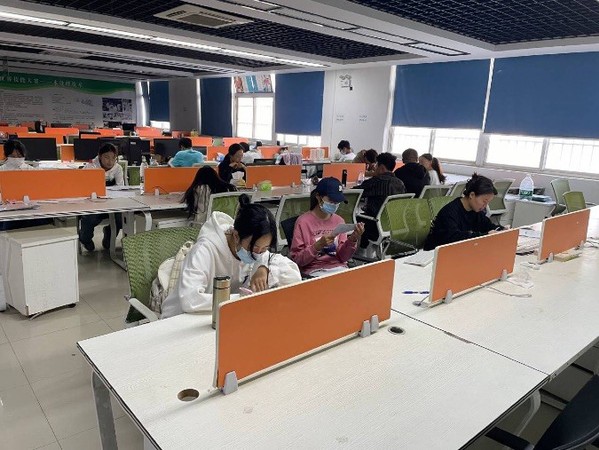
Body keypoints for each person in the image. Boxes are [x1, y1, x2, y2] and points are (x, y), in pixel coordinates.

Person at [161, 194, 301, 318]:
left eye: (264, 249)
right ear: (235, 236)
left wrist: (264, 268)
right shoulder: (205, 250)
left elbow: (292, 274)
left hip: (219, 315)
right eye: (254, 248)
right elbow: (190, 300)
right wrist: (240, 298)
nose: (257, 254)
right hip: (180, 319)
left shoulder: (257, 251)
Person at [290, 178, 364, 277]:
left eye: (337, 202)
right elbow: (297, 260)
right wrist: (317, 246)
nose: (334, 205)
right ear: (318, 197)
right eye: (331, 201)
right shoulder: (303, 222)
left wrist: (352, 240)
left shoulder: (339, 221)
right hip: (314, 272)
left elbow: (343, 258)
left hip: (339, 269)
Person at [424, 173, 505, 250]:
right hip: (435, 252)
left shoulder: (476, 211)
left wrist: (502, 230)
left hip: (458, 250)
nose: (485, 205)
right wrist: (485, 235)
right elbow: (454, 238)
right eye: (484, 201)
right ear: (472, 195)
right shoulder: (450, 212)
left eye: (488, 202)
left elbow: (487, 226)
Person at [353, 153, 406, 253]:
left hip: (376, 225)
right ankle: (365, 250)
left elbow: (355, 192)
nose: (374, 168)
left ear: (381, 168)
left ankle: (361, 250)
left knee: (355, 217)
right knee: (366, 215)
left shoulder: (377, 181)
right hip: (393, 224)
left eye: (376, 165)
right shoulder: (400, 183)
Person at [78, 143, 124, 252]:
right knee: (89, 219)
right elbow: (82, 187)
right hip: (93, 203)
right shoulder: (90, 167)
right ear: (99, 156)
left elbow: (120, 187)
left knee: (121, 218)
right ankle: (85, 239)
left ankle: (109, 233)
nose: (110, 161)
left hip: (111, 202)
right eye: (106, 157)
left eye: (113, 158)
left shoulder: (118, 168)